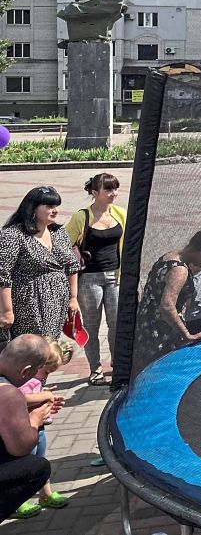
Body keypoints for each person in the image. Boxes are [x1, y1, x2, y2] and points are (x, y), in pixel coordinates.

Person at [132, 221, 201, 371]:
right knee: (163, 371)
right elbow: (167, 306)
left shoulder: (169, 256)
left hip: (146, 324)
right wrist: (187, 335)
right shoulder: (180, 270)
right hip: (162, 332)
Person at [65, 173, 126, 385]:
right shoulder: (82, 217)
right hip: (89, 278)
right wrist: (74, 254)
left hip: (115, 277)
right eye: (108, 189)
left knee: (117, 323)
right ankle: (95, 368)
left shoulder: (120, 214)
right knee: (91, 325)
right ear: (94, 193)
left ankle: (118, 364)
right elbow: (63, 243)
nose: (113, 194)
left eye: (115, 189)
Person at [0, 186, 80, 342]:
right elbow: (3, 275)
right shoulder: (13, 235)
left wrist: (73, 298)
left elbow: (72, 266)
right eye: (49, 206)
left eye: (56, 206)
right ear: (33, 209)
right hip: (28, 303)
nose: (55, 210)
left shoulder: (58, 233)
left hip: (57, 302)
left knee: (50, 347)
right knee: (32, 348)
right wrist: (7, 311)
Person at [14, 340, 70, 519]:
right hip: (25, 426)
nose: (45, 376)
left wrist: (43, 392)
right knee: (23, 463)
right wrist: (45, 395)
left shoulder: (36, 379)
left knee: (40, 459)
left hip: (39, 426)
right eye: (46, 371)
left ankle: (45, 494)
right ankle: (17, 500)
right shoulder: (23, 377)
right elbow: (21, 397)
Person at [0, 336, 54, 521]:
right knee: (36, 468)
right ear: (26, 371)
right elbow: (21, 447)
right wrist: (35, 419)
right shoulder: (7, 392)